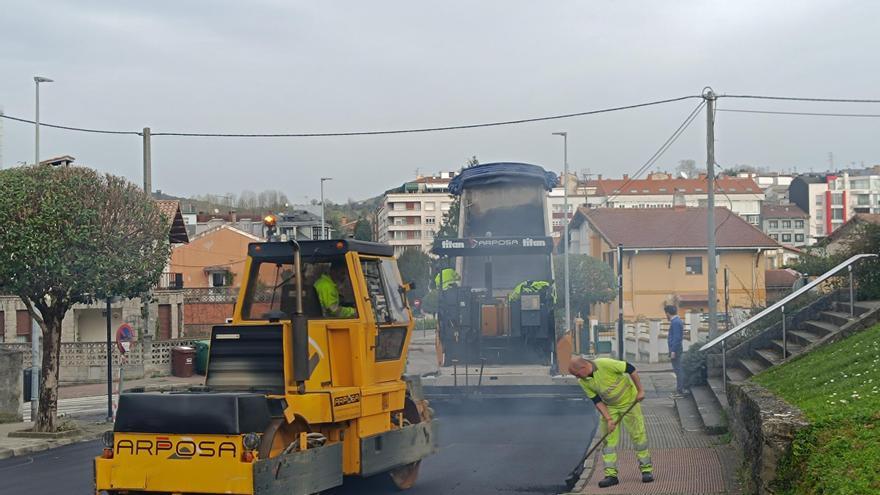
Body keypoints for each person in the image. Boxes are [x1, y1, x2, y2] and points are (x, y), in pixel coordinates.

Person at [569, 356, 654, 488]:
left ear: (583, 367)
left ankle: (646, 470)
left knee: (638, 436)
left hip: (630, 401)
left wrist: (640, 390)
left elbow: (630, 369)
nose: (577, 377)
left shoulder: (605, 364)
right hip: (610, 407)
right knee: (608, 442)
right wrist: (608, 419)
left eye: (577, 374)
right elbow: (597, 401)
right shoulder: (583, 381)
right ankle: (611, 475)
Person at [665, 304, 687, 398]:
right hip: (675, 349)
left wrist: (673, 351)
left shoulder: (676, 322)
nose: (666, 315)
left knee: (678, 370)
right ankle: (680, 389)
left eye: (666, 313)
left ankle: (680, 390)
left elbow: (677, 338)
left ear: (668, 313)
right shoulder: (676, 321)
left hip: (676, 350)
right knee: (678, 370)